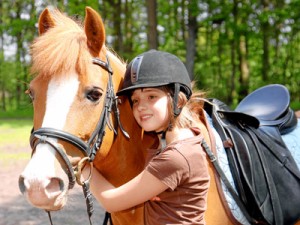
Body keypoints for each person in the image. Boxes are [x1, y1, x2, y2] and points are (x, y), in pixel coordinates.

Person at [83, 50, 211, 224]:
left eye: (151, 96)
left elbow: (111, 201)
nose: (141, 106)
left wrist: (83, 168)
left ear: (178, 101)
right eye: (135, 100)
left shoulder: (176, 157)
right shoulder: (187, 140)